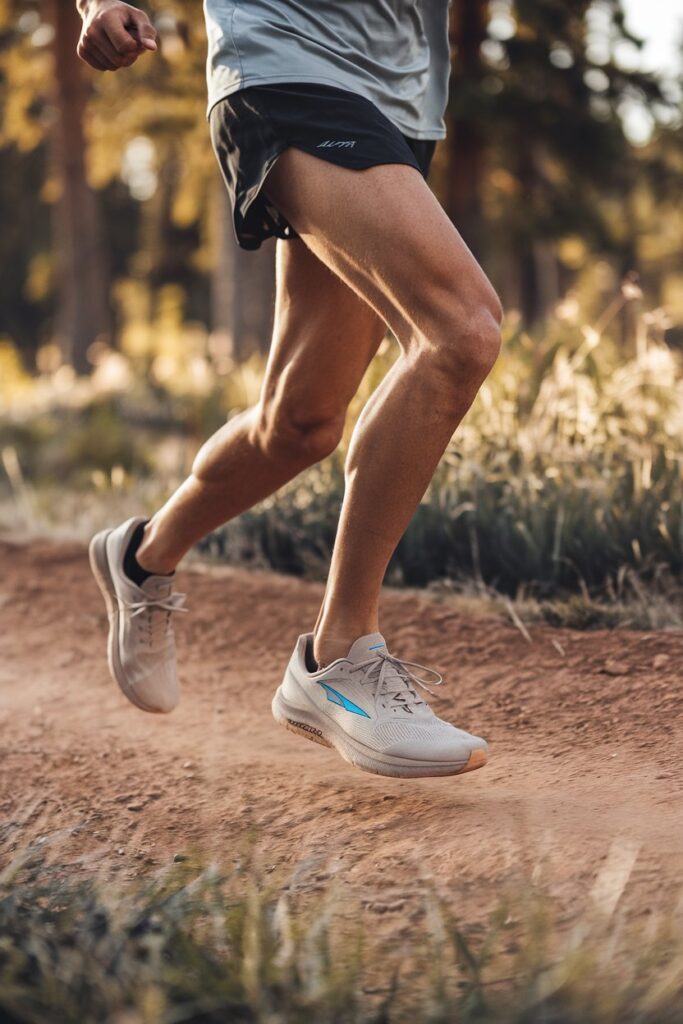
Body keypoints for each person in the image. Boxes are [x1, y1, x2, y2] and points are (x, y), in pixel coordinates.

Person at [77, 0, 501, 779]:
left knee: (300, 422)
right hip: (286, 61)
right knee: (459, 333)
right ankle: (337, 657)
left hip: (401, 96)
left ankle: (142, 557)